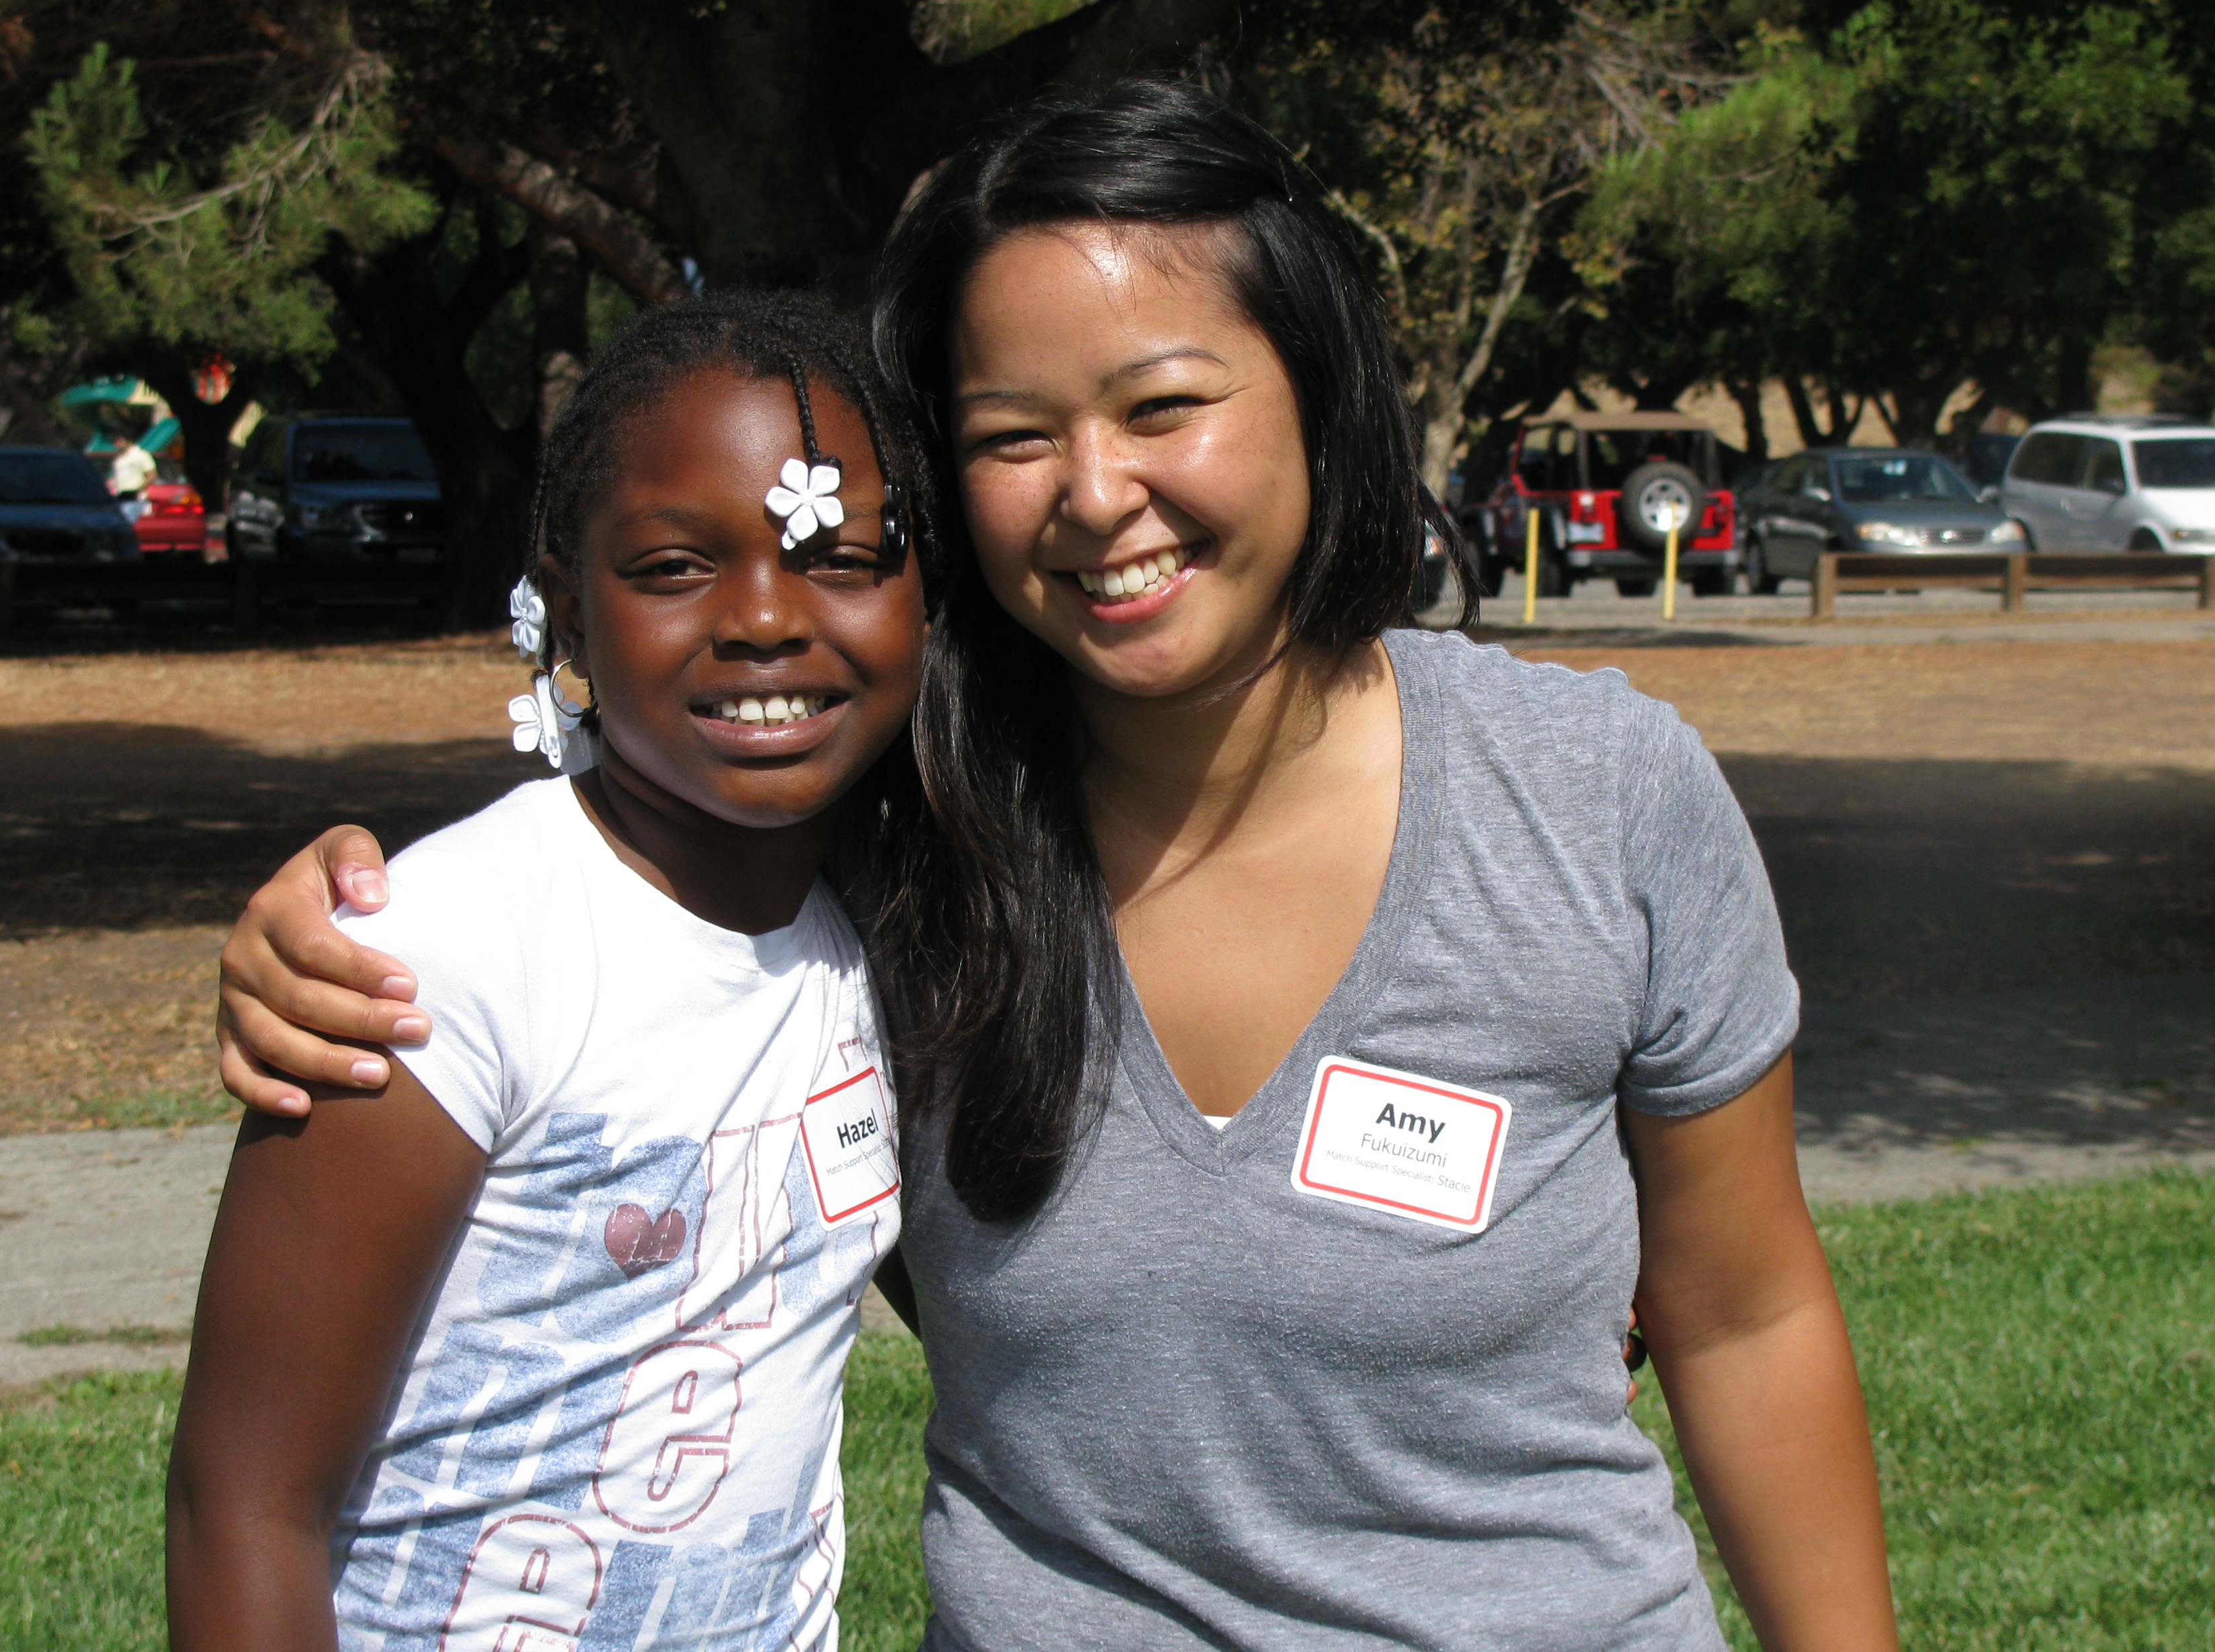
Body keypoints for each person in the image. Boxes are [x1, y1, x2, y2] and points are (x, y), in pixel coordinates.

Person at [212, 81, 1898, 1651]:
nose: (1098, 496)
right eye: (1013, 435)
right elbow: (619, 874)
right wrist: (327, 918)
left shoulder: (1600, 798)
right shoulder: (895, 842)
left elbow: (1745, 1320)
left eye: (1165, 405)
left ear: (1317, 390)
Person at [168, 295, 931, 1650]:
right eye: (675, 566)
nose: (763, 618)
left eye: (841, 557)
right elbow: (246, 1506)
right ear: (564, 609)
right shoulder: (440, 961)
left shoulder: (888, 936)